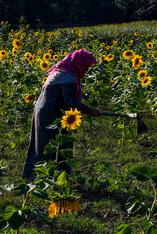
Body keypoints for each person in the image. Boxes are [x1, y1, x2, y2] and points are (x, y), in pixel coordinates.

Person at [22, 48, 100, 180]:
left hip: (43, 112)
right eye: (86, 66)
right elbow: (70, 101)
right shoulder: (67, 76)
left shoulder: (60, 72)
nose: (86, 71)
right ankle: (50, 179)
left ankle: (37, 177)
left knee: (41, 145)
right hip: (51, 115)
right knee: (53, 146)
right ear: (79, 63)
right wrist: (89, 110)